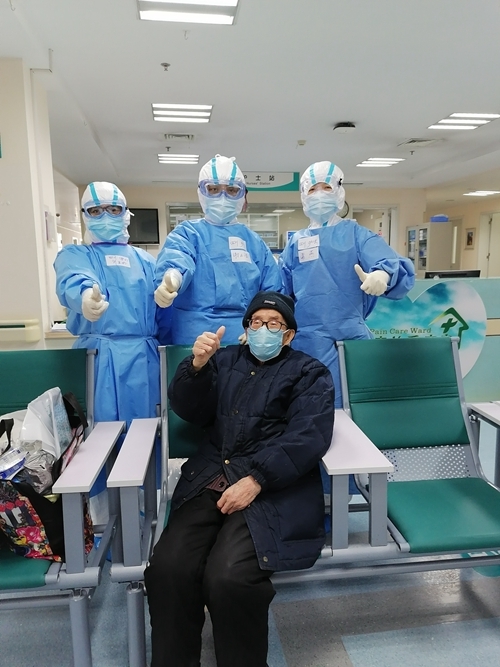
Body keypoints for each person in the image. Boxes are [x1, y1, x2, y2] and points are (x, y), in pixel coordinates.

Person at [144, 291, 334, 667]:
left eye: (274, 324)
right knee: (168, 569)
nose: (264, 329)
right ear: (246, 328)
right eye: (256, 322)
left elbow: (309, 434)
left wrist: (257, 478)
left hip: (272, 487)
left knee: (229, 577)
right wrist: (196, 367)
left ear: (289, 335)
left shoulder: (309, 373)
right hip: (210, 477)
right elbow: (192, 410)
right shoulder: (223, 360)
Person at [280, 161, 415, 408]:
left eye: (326, 188)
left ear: (339, 192)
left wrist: (383, 275)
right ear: (303, 196)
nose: (319, 195)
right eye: (312, 189)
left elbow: (393, 264)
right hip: (307, 342)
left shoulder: (357, 235)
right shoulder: (296, 243)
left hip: (349, 340)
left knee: (356, 408)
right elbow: (281, 293)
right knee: (309, 407)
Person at [54, 181, 160, 426]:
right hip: (98, 358)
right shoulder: (75, 255)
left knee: (146, 428)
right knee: (101, 430)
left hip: (144, 359)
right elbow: (73, 276)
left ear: (126, 213)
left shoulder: (146, 261)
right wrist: (84, 297)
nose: (105, 216)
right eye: (95, 211)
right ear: (85, 216)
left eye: (113, 210)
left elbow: (164, 316)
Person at [154, 154, 282, 345]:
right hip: (195, 339)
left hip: (246, 338)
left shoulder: (254, 243)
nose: (223, 197)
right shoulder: (188, 233)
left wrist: (263, 325)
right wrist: (172, 279)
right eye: (213, 189)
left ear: (243, 195)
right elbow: (178, 258)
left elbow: (272, 291)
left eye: (232, 190)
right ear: (201, 192)